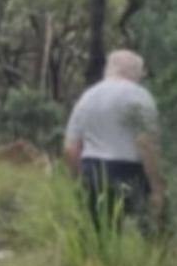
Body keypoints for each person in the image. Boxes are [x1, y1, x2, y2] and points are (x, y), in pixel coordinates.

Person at [63, 50, 165, 234]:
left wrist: (78, 181)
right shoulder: (140, 96)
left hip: (91, 170)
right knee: (149, 232)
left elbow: (70, 149)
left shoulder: (86, 98)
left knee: (99, 235)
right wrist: (156, 187)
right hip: (130, 173)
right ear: (135, 71)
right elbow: (145, 143)